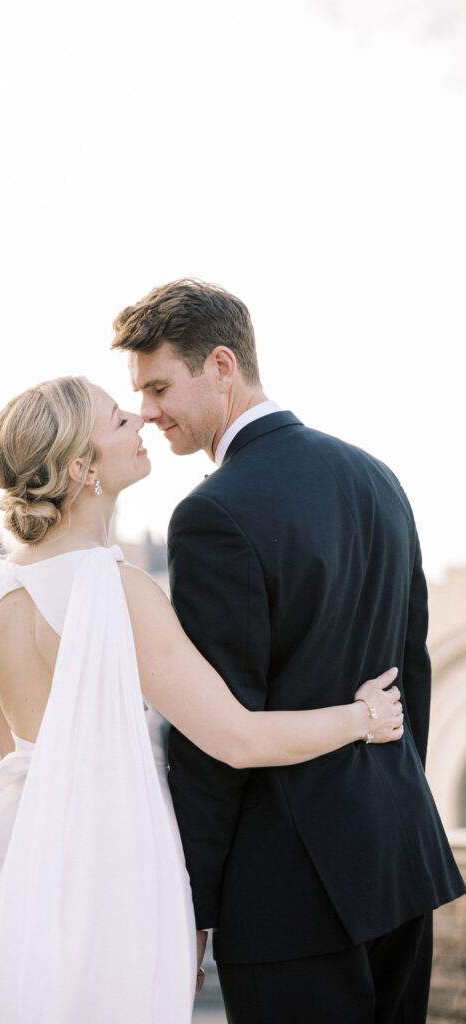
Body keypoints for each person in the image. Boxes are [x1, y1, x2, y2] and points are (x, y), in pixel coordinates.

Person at [0, 376, 403, 1024]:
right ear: (83, 468)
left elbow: (11, 754)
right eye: (117, 420)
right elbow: (236, 737)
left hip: (17, 850)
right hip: (114, 854)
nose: (139, 420)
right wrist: (361, 718)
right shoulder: (119, 590)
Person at [112, 279, 466, 1024]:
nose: (146, 412)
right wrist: (396, 807)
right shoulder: (377, 478)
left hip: (285, 896)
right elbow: (413, 678)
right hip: (400, 863)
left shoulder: (212, 514)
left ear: (219, 366)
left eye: (157, 386)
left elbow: (213, 734)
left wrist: (194, 898)